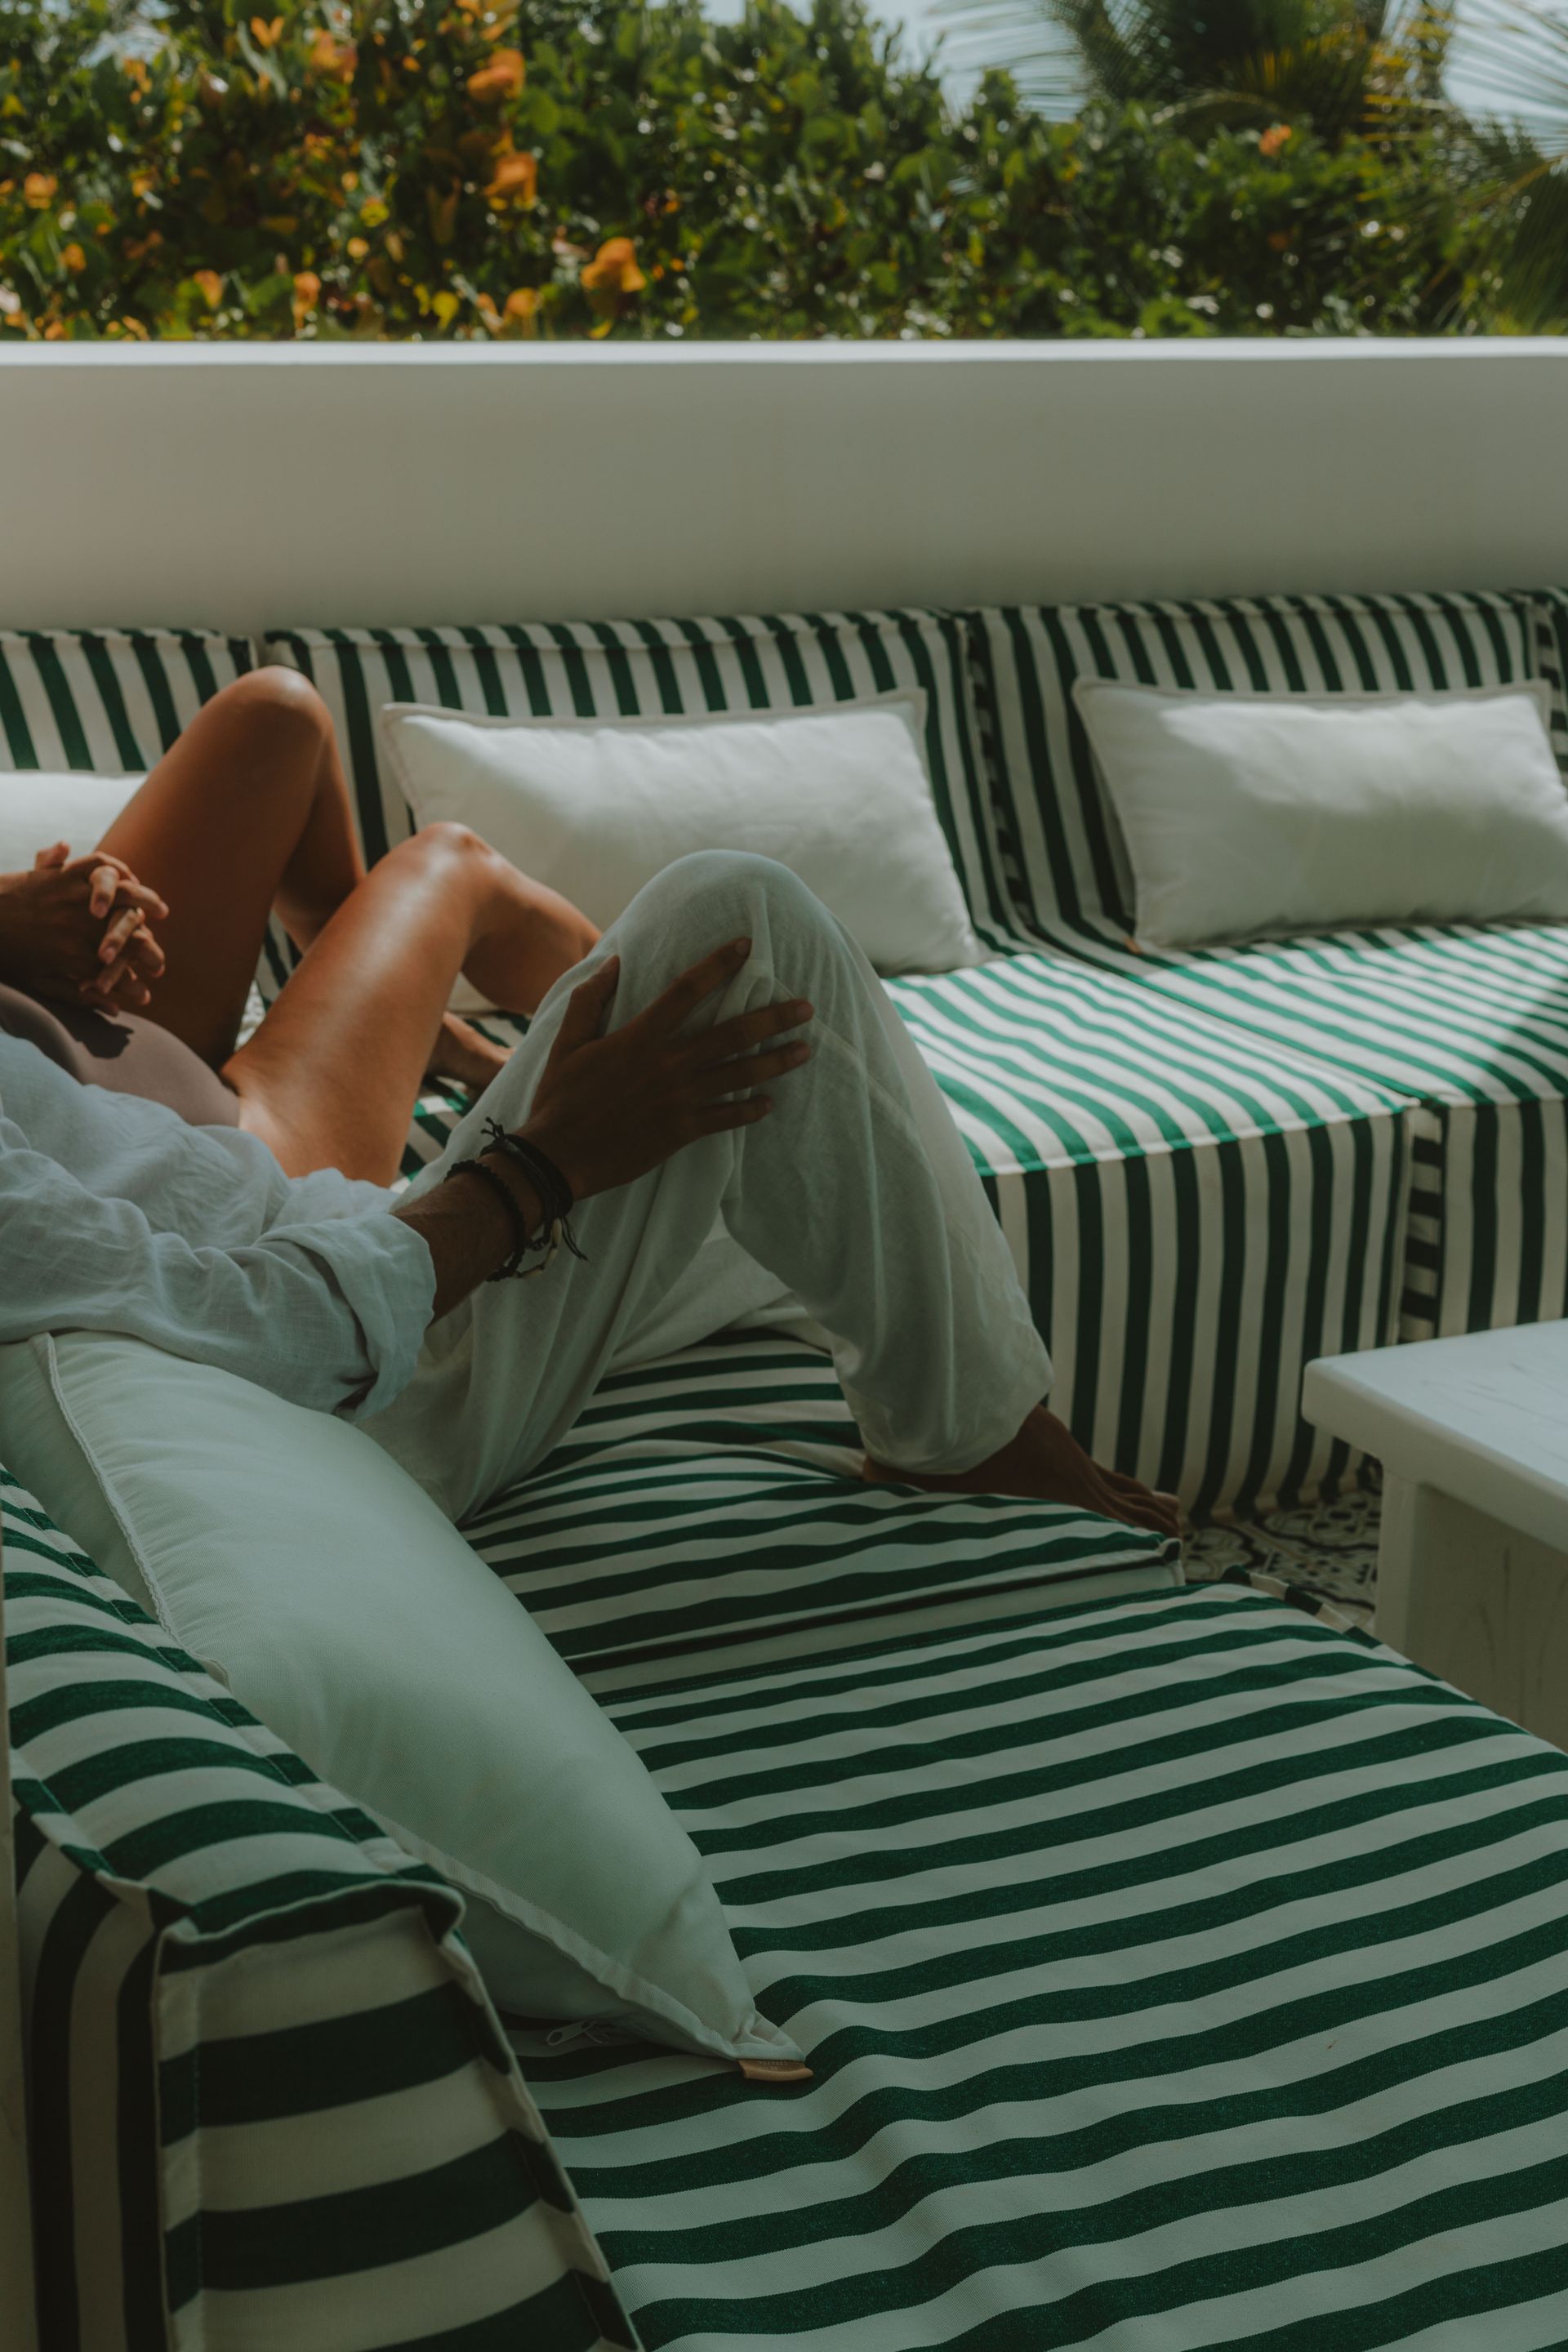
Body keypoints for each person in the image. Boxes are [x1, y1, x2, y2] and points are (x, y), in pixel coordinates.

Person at [0, 668, 1177, 1539]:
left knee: (812, 1177)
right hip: (361, 1381)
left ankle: (970, 1395)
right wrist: (532, 1170)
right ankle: (972, 1446)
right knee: (738, 924)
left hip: (235, 1174)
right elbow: (264, 1334)